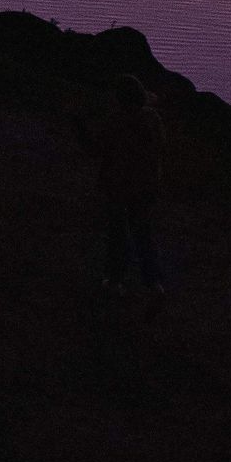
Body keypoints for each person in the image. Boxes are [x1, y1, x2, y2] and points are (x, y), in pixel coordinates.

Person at [95, 72, 166, 296]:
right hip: (147, 185)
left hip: (118, 185)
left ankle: (115, 280)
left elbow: (103, 149)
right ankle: (153, 283)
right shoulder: (153, 119)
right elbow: (161, 146)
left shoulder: (115, 121)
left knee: (117, 233)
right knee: (144, 233)